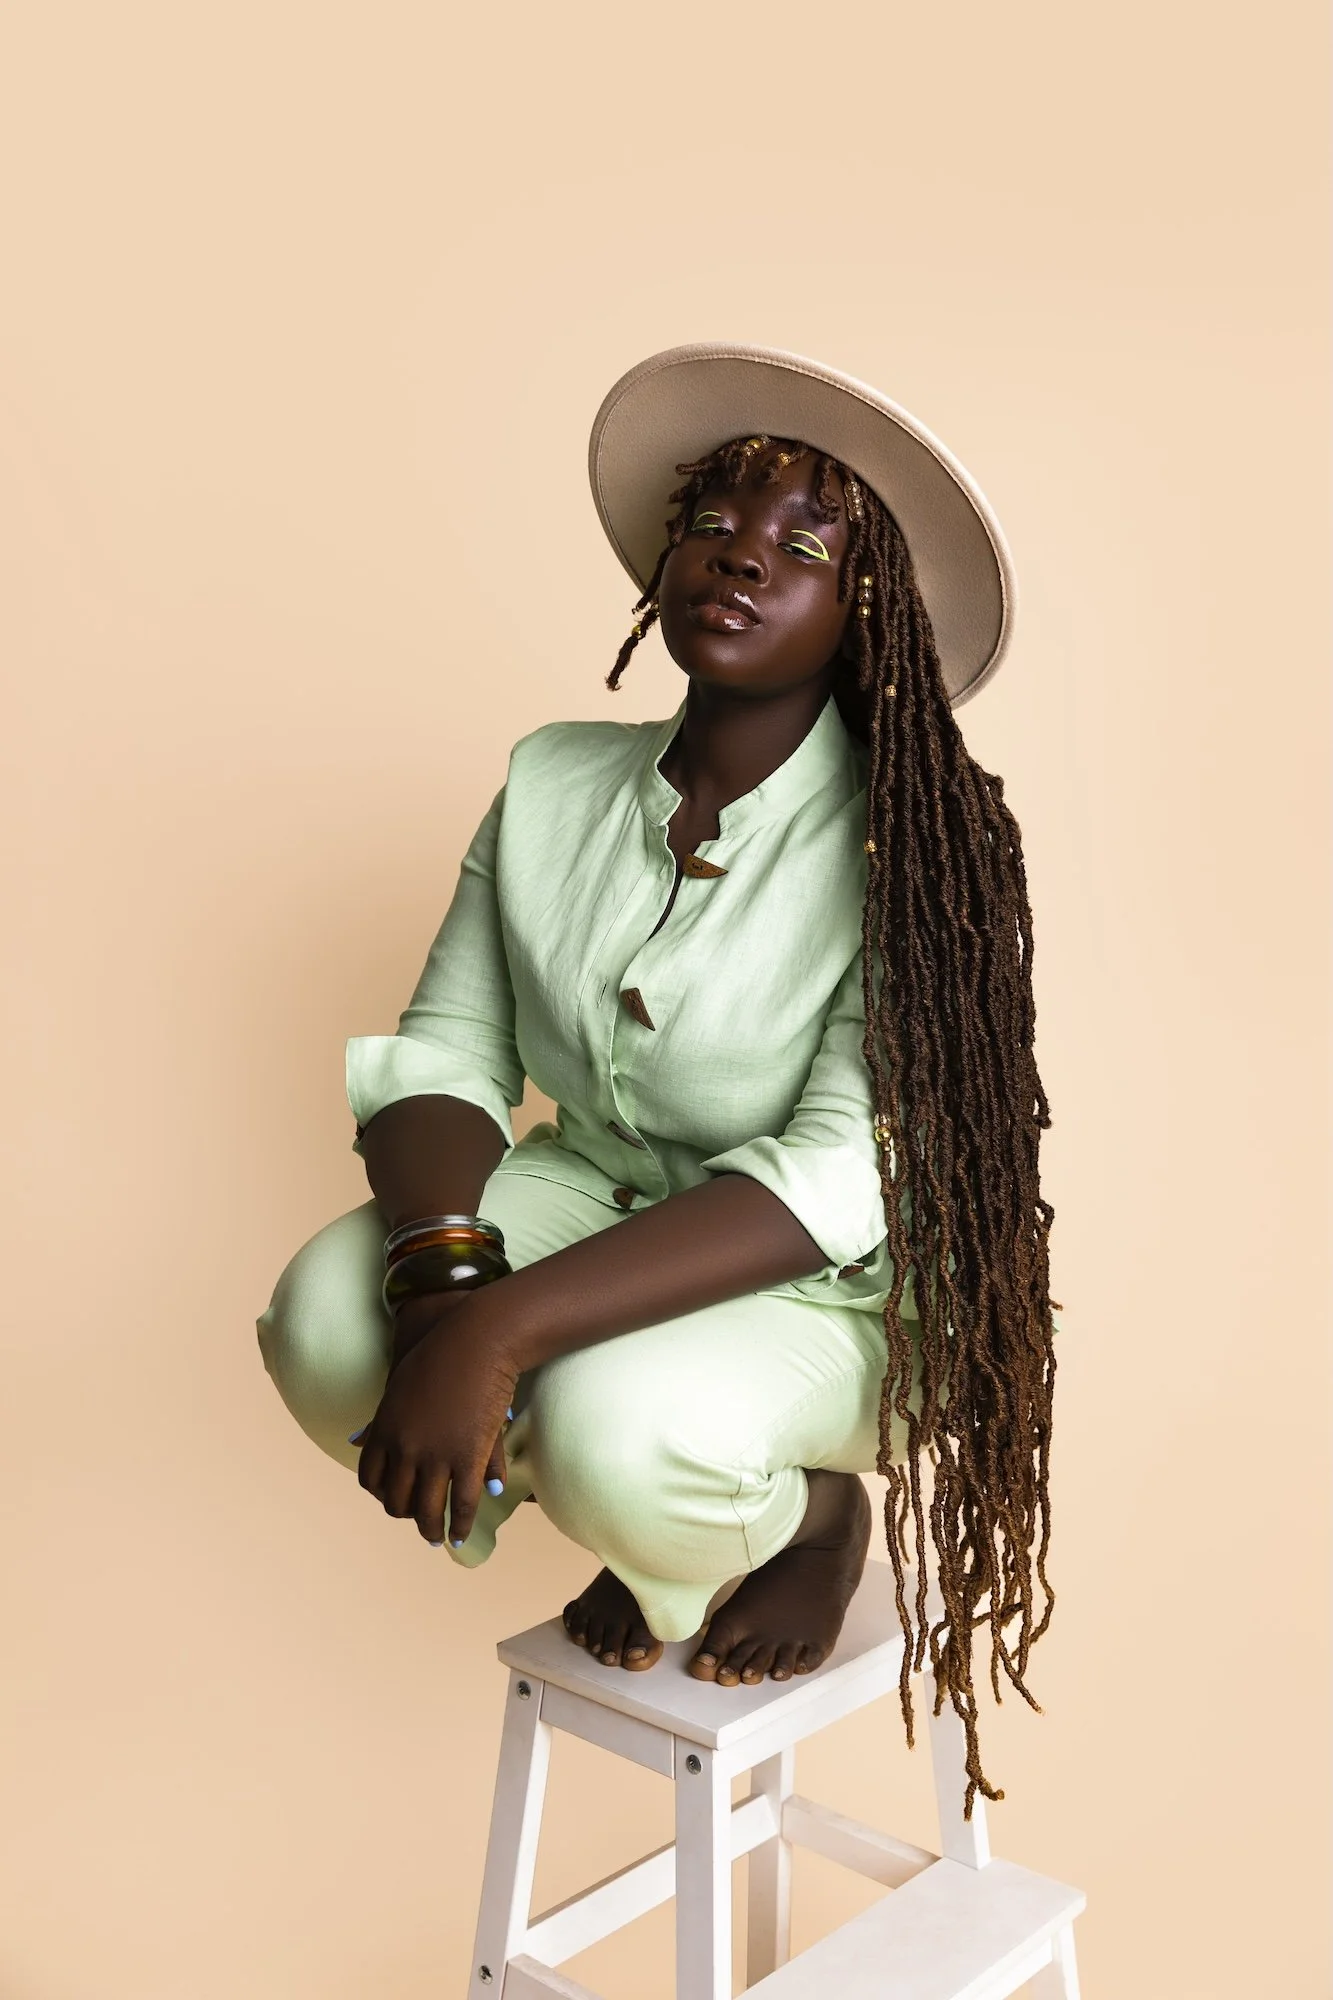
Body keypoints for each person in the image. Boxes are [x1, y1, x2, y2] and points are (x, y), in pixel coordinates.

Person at [256, 343, 1063, 1813]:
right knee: (328, 1321)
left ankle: (803, 1523)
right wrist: (446, 1274)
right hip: (596, 1190)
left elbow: (839, 1169)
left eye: (803, 549)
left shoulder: (931, 863)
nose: (743, 563)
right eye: (716, 529)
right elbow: (448, 1046)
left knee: (614, 1434)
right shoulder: (556, 781)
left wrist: (499, 1332)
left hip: (838, 1278)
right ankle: (655, 1528)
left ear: (865, 611)